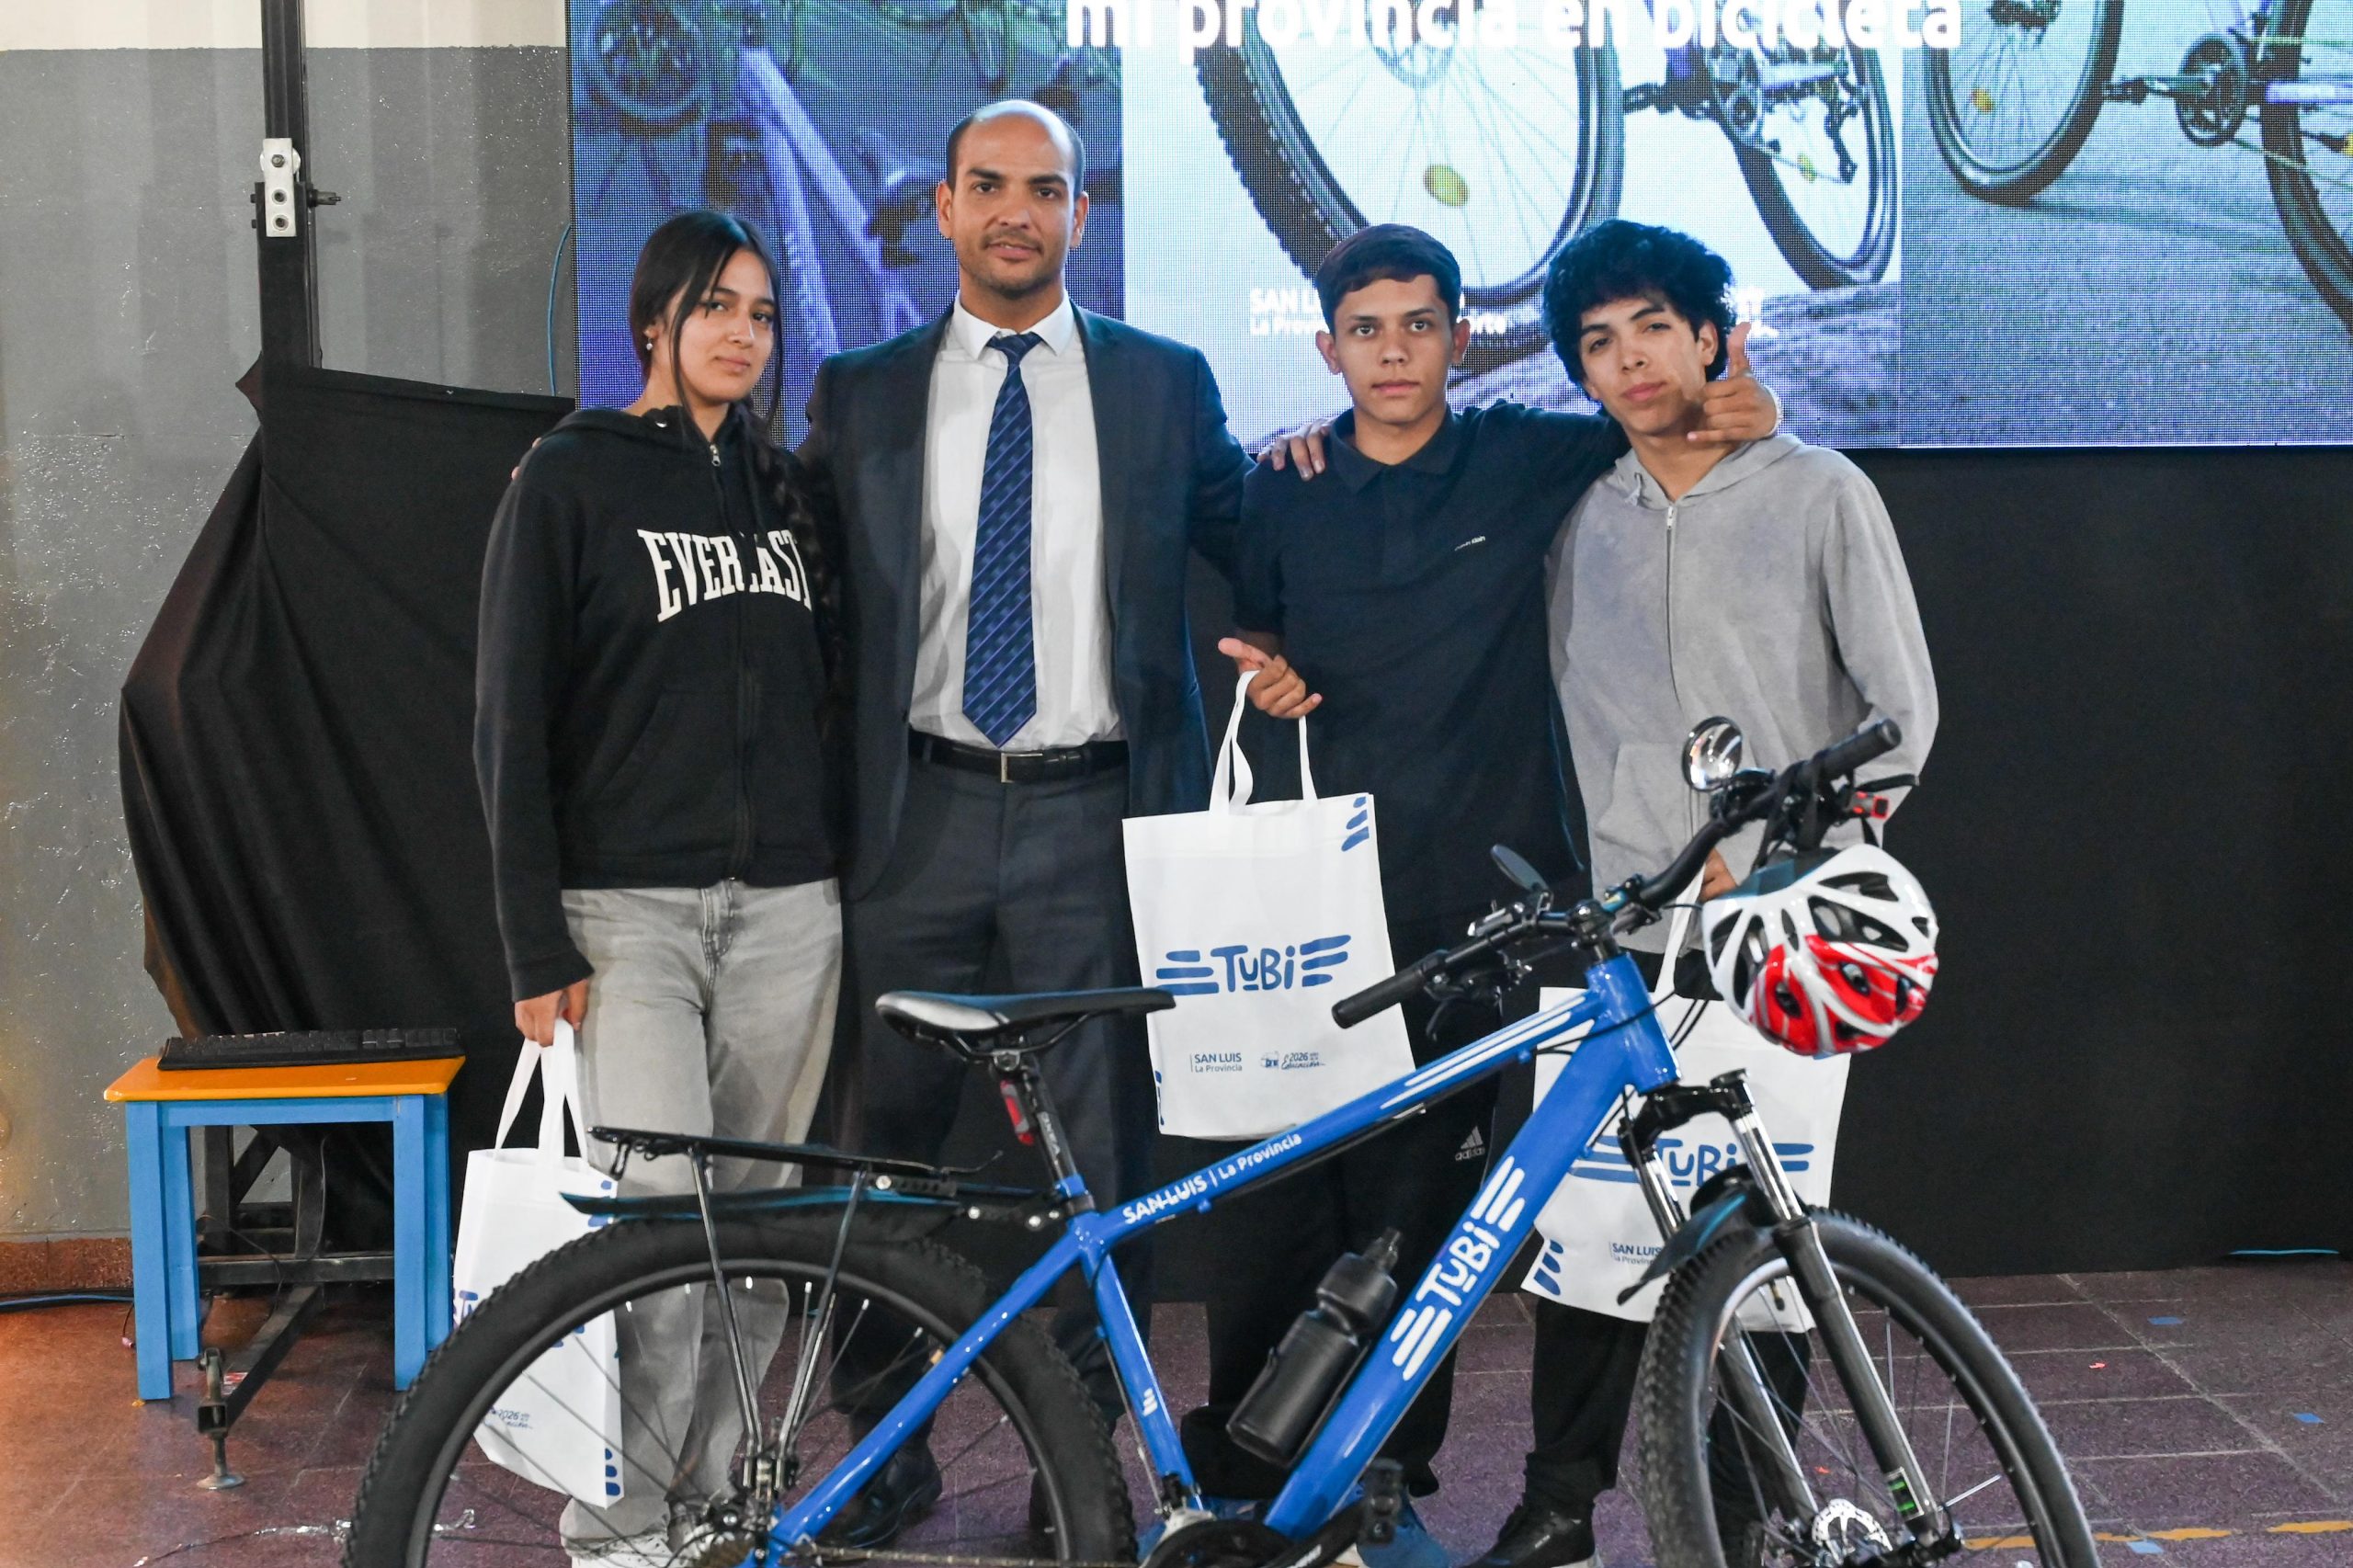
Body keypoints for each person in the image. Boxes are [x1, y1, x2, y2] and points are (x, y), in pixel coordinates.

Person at [1190, 224, 1782, 1568]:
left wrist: (1744, 402)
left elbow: (1665, 416)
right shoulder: (1283, 486)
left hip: (1483, 912)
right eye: (1366, 329)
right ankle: (1244, 1477)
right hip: (1309, 904)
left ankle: (1387, 1479)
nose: (1394, 351)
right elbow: (1258, 627)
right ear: (1327, 345)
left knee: (1423, 1218)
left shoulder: (1528, 458)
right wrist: (1267, 668)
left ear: (1461, 337)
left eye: (1419, 325)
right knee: (1279, 1203)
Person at [795, 99, 1265, 1547]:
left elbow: (1260, 537)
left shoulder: (1164, 385)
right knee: (881, 1156)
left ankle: (1080, 1461)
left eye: (1045, 189)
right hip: (915, 814)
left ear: (1078, 213)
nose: (1017, 211)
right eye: (989, 185)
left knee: (1096, 1168)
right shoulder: (859, 393)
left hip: (1091, 821)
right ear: (942, 206)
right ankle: (882, 1454)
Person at [1493, 218, 1938, 1568]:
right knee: (1589, 1233)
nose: (1629, 359)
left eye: (1652, 328)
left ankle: (1753, 1515)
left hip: (1777, 939)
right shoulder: (1579, 520)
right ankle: (1558, 1502)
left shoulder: (1822, 492)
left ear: (1711, 336)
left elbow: (1900, 714)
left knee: (1765, 1239)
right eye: (1597, 341)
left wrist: (1802, 856)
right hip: (1628, 931)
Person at [474, 210, 846, 1568]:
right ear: (655, 322)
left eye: (762, 312)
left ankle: (722, 1512)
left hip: (791, 915)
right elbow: (508, 722)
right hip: (627, 919)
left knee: (758, 1242)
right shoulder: (567, 479)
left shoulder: (788, 489)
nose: (743, 332)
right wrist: (532, 943)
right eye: (716, 307)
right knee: (655, 1243)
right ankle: (626, 1532)